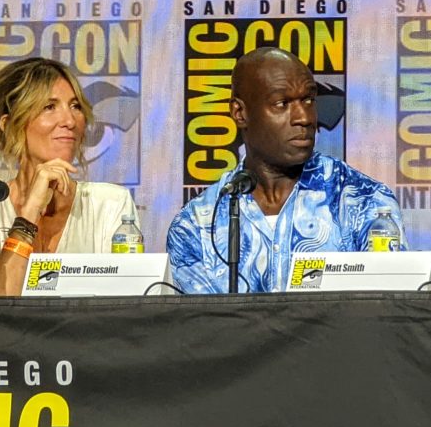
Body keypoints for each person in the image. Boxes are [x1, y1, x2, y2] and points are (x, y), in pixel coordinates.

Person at [167, 47, 405, 294]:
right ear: (240, 113)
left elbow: (387, 316)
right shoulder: (196, 225)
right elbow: (201, 327)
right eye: (282, 103)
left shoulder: (364, 202)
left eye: (309, 100)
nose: (304, 117)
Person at [0, 57, 137, 296]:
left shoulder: (111, 204)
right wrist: (28, 214)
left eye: (75, 106)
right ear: (9, 125)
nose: (69, 121)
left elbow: (128, 309)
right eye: (49, 107)